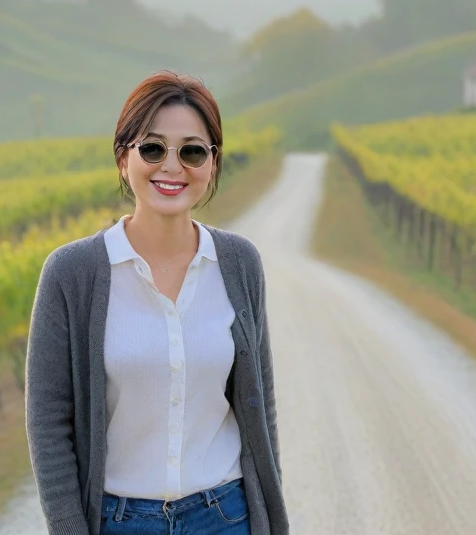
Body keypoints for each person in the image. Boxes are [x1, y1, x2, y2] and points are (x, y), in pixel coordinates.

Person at [25, 70, 287, 535]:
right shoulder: (71, 273)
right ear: (124, 158)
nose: (172, 166)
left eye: (191, 150)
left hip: (226, 516)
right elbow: (48, 424)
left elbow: (259, 407)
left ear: (211, 163)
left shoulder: (239, 263)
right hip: (118, 521)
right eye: (152, 148)